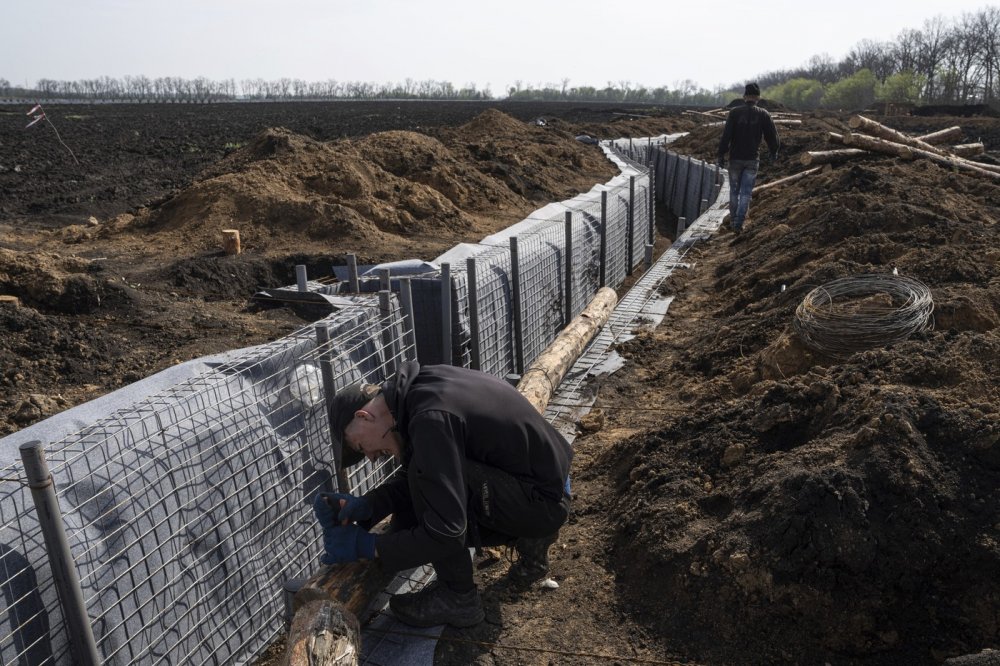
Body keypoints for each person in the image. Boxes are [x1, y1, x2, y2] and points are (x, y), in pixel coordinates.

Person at [312, 360, 573, 628]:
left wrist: (366, 546)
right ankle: (532, 538)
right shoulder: (421, 389)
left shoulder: (430, 418)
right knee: (426, 482)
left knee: (431, 499)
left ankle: (458, 599)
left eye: (360, 446)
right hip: (549, 484)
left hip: (543, 502)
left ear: (364, 417)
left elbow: (445, 534)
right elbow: (429, 466)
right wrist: (370, 505)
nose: (370, 457)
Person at [717, 82, 780, 233]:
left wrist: (721, 154)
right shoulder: (763, 114)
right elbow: (772, 136)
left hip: (735, 159)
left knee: (734, 191)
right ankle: (739, 223)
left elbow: (726, 136)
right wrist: (774, 151)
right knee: (746, 192)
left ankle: (733, 221)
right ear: (758, 98)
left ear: (744, 96)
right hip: (752, 159)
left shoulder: (734, 113)